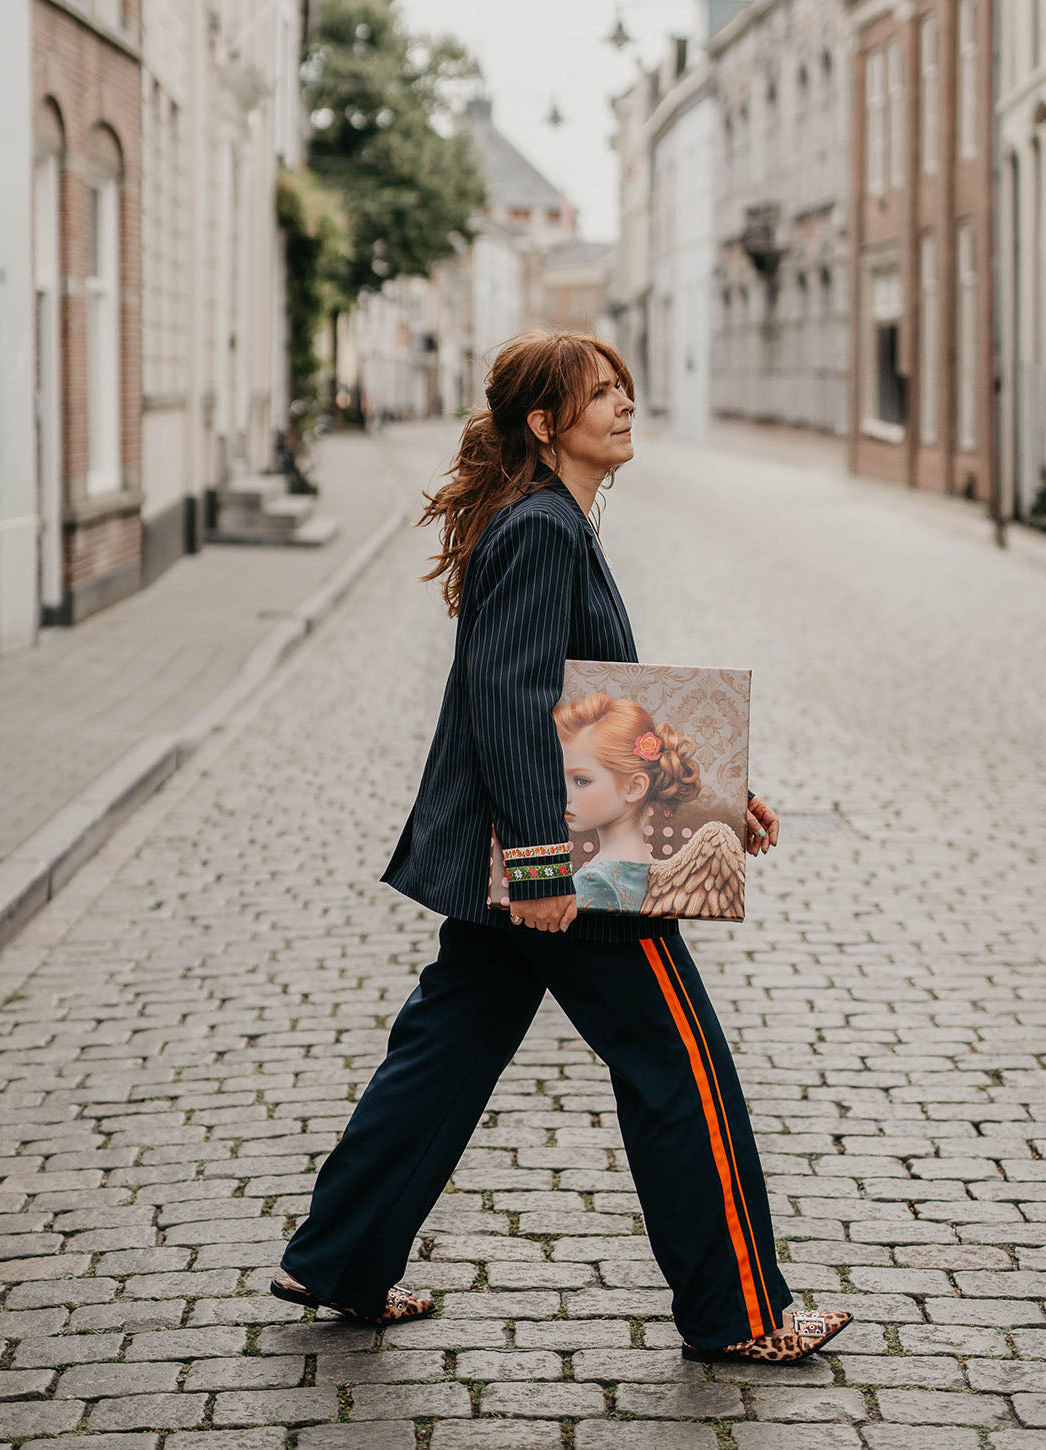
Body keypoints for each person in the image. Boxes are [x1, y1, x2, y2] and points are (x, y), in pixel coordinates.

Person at [270, 331, 852, 1365]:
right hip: (553, 862)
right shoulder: (542, 528)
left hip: (539, 849)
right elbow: (514, 702)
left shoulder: (553, 521)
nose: (624, 404)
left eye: (624, 386)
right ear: (546, 425)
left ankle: (340, 1257)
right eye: (599, 394)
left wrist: (718, 797)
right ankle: (738, 1313)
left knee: (445, 1049)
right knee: (681, 1067)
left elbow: (590, 705)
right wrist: (539, 863)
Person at [558, 691, 700, 912]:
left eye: (582, 780)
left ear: (635, 787)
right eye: (559, 778)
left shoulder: (593, 882)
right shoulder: (650, 867)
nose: (563, 795)